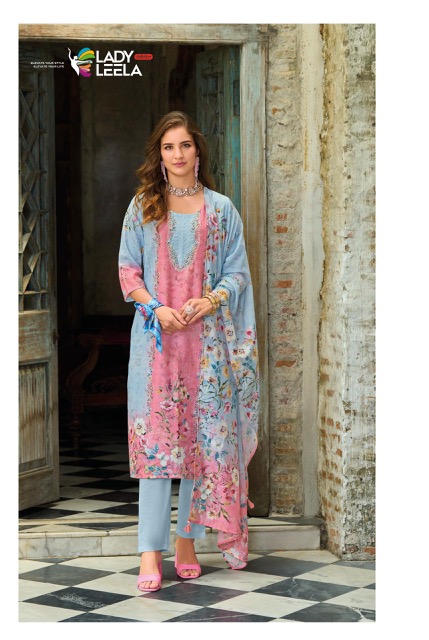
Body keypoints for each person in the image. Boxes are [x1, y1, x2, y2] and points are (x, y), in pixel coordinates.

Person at [118, 111, 260, 593]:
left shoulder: (221, 211)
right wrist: (156, 307)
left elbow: (237, 274)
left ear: (198, 151)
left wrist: (210, 300)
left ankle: (186, 544)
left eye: (185, 145)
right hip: (156, 346)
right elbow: (128, 273)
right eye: (168, 147)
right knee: (157, 448)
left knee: (202, 447)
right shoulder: (143, 207)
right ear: (159, 156)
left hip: (208, 349)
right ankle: (150, 551)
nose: (177, 154)